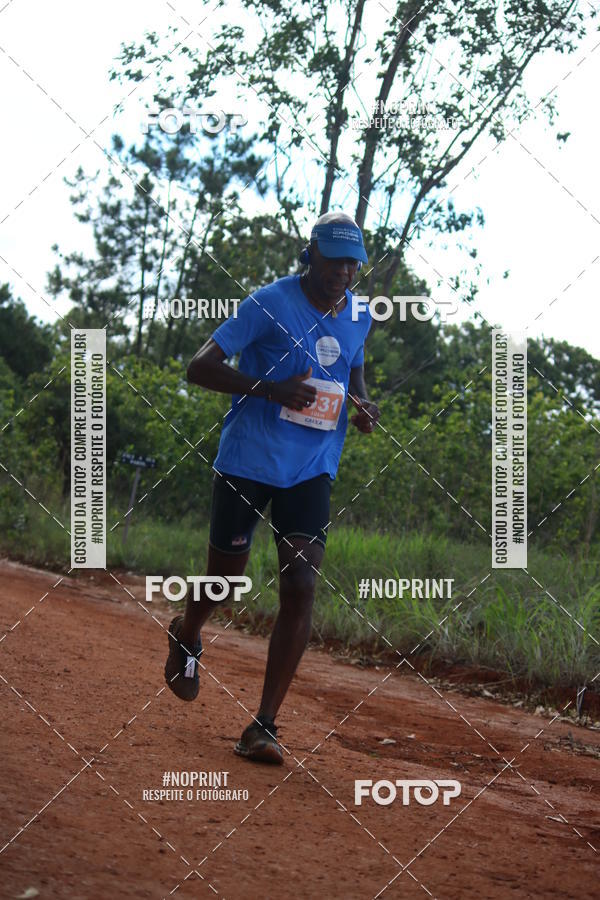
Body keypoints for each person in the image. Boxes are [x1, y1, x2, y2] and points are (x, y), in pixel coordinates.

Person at [164, 211, 380, 764]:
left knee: (301, 582)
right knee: (225, 583)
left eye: (351, 261)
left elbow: (353, 370)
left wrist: (361, 404)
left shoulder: (360, 313)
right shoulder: (267, 302)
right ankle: (187, 632)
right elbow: (198, 367)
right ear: (311, 255)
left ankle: (263, 726)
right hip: (248, 460)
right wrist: (270, 390)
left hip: (311, 467)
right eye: (333, 260)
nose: (343, 272)